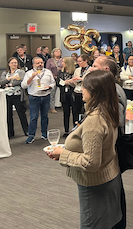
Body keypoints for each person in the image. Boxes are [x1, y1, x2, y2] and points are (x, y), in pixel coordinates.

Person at [46, 70, 124, 229]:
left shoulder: (94, 121)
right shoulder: (109, 109)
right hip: (109, 176)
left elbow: (90, 163)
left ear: (94, 91)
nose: (81, 89)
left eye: (84, 87)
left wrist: (64, 154)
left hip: (95, 183)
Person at [22, 57, 56, 144]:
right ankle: (31, 136)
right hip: (34, 97)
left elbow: (53, 83)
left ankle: (44, 134)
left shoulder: (48, 72)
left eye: (41, 62)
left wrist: (49, 87)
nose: (40, 64)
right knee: (33, 117)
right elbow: (24, 85)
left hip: (46, 96)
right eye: (38, 63)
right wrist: (32, 77)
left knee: (45, 116)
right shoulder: (29, 73)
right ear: (33, 64)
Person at [0, 58, 28, 137]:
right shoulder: (5, 73)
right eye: (12, 63)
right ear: (9, 64)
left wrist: (8, 84)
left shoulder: (21, 72)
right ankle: (10, 133)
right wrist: (10, 78)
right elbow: (1, 82)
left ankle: (26, 131)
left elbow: (20, 81)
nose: (14, 64)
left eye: (15, 63)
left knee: (21, 114)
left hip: (18, 95)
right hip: (7, 96)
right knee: (8, 115)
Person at [57, 57, 78, 137]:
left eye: (64, 62)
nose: (62, 63)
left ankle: (75, 130)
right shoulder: (60, 72)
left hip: (73, 94)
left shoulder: (75, 72)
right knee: (66, 113)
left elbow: (77, 82)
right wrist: (63, 83)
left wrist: (71, 83)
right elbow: (57, 83)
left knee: (75, 112)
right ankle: (66, 130)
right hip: (64, 94)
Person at [46, 48, 63, 114]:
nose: (58, 52)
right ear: (53, 53)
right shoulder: (50, 60)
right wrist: (54, 76)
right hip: (53, 78)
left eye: (59, 51)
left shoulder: (63, 60)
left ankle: (63, 106)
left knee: (63, 93)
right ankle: (52, 107)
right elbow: (48, 69)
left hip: (61, 78)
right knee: (52, 93)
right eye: (56, 51)